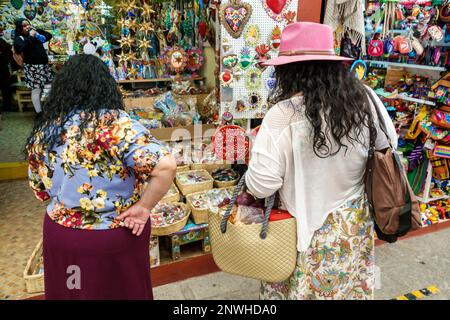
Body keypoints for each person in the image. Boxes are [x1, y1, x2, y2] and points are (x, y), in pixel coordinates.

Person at [245, 22, 398, 300]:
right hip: (352, 226)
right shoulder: (366, 99)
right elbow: (389, 145)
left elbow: (262, 185)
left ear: (287, 72)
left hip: (300, 229)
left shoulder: (283, 114)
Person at [25, 54, 177, 300]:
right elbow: (166, 167)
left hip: (64, 235)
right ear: (105, 85)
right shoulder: (118, 125)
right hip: (117, 233)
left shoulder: (45, 129)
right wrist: (144, 207)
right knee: (121, 291)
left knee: (72, 291)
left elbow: (39, 190)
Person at [13, 18, 53, 114]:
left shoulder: (36, 33)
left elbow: (49, 36)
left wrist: (37, 31)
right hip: (33, 68)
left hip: (44, 66)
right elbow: (21, 49)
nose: (27, 27)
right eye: (24, 25)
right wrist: (30, 37)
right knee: (36, 90)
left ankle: (46, 109)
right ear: (19, 28)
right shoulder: (19, 38)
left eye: (28, 24)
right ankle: (39, 113)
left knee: (47, 87)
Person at [0, 33, 13, 116]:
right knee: (6, 88)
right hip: (4, 68)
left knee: (5, 88)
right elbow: (10, 54)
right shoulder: (5, 43)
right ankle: (7, 106)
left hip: (3, 67)